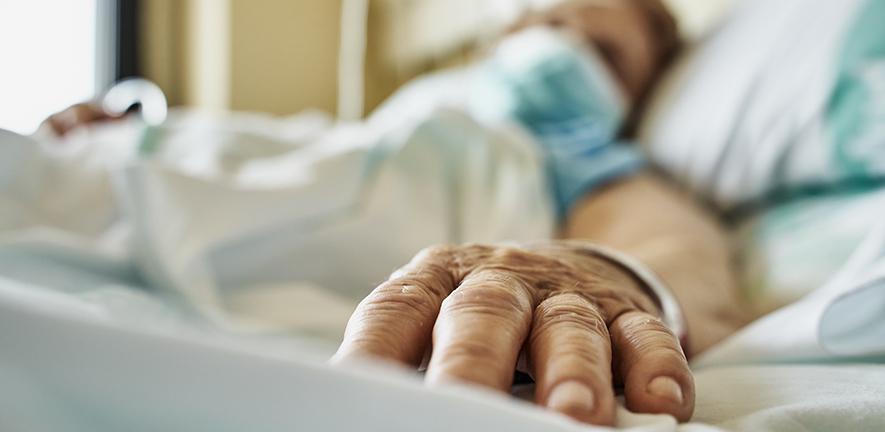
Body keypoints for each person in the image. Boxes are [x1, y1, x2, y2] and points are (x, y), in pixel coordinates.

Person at [40, 0, 748, 426]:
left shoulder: (580, 158)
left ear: (637, 100)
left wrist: (592, 274)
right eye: (543, 20)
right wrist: (136, 136)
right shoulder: (395, 121)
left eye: (598, 52)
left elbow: (672, 252)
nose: (552, 45)